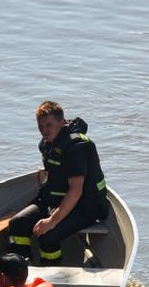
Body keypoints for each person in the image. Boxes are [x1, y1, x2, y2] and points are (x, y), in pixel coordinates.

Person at [7, 100, 109, 265]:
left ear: (62, 122)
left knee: (48, 236)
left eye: (48, 125)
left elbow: (76, 191)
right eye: (40, 126)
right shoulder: (47, 144)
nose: (44, 131)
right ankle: (20, 266)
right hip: (56, 200)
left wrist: (52, 220)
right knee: (17, 223)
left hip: (86, 206)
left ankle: (50, 271)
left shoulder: (77, 146)